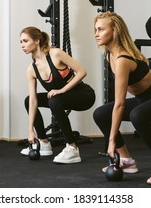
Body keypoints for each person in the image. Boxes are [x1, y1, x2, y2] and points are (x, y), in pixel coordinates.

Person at [93, 11, 151, 185]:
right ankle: (126, 161)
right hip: (144, 101)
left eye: (101, 29)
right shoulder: (110, 55)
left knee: (137, 115)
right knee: (101, 114)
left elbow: (120, 104)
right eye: (95, 29)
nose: (96, 34)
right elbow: (116, 105)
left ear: (115, 31)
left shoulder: (123, 59)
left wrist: (111, 142)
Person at [19, 26, 96, 164]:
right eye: (21, 42)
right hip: (60, 99)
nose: (22, 45)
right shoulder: (31, 69)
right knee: (29, 99)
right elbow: (33, 102)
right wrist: (30, 130)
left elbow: (82, 71)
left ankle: (72, 148)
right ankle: (43, 142)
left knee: (54, 100)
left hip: (84, 95)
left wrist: (62, 90)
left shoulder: (55, 54)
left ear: (36, 41)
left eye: (25, 41)